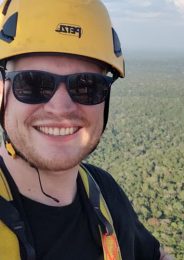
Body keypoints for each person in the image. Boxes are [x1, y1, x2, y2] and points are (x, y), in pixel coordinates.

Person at [0, 0, 169, 259]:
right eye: (33, 84)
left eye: (86, 86)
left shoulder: (105, 194)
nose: (61, 107)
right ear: (2, 91)